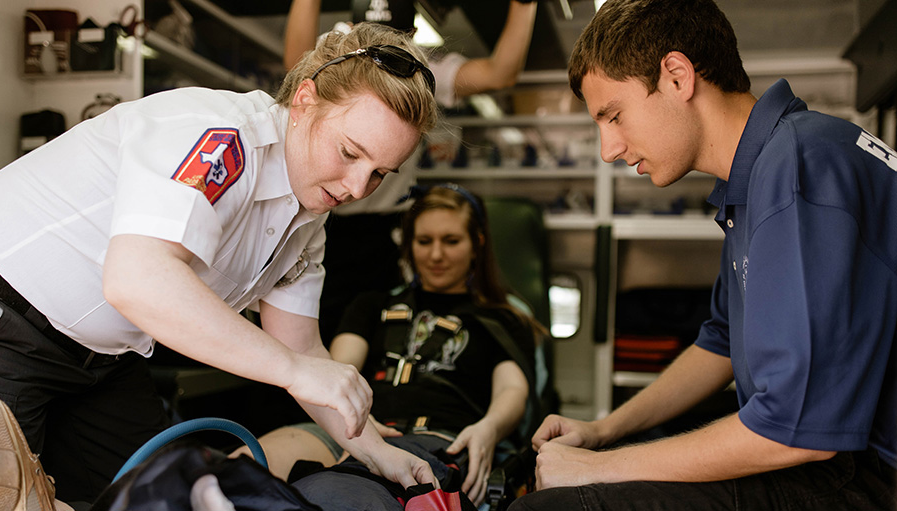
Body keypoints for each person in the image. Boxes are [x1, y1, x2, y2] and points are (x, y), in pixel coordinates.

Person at [0, 22, 440, 506]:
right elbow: (137, 278)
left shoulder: (307, 221)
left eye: (378, 172)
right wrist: (292, 370)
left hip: (102, 361)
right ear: (305, 100)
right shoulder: (223, 139)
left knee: (156, 498)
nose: (357, 188)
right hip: (9, 326)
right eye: (349, 152)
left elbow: (301, 348)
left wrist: (379, 454)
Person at [509, 0, 897, 510]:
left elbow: (799, 432)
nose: (609, 149)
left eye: (614, 115)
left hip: (872, 477)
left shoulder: (798, 167)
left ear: (676, 76)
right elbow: (721, 342)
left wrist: (599, 469)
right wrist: (603, 431)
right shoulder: (759, 175)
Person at [232, 184, 540, 507]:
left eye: (451, 241)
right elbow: (339, 366)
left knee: (339, 496)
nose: (436, 255)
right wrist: (350, 416)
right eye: (424, 241)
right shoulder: (371, 305)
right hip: (354, 428)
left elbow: (512, 391)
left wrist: (488, 430)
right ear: (409, 245)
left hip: (435, 437)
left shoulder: (503, 320)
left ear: (477, 243)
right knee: (238, 473)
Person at [282, 0, 539, 346]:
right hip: (321, 216)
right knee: (307, 325)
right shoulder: (339, 64)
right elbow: (296, 66)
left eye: (396, 41)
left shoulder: (419, 73)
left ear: (412, 39)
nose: (384, 57)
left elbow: (500, 73)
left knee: (376, 334)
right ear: (353, 30)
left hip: (382, 229)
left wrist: (525, 5)